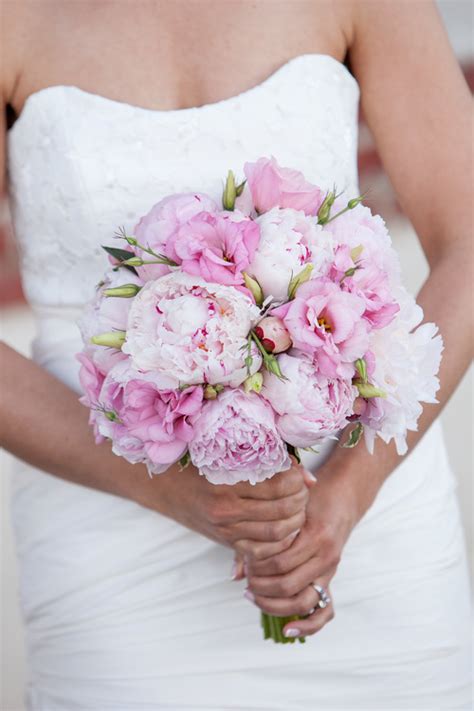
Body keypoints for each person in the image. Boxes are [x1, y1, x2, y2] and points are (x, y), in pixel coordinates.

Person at [1, 1, 472, 708]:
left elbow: (468, 240)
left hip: (371, 528)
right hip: (113, 540)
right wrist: (172, 490)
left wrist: (347, 492)